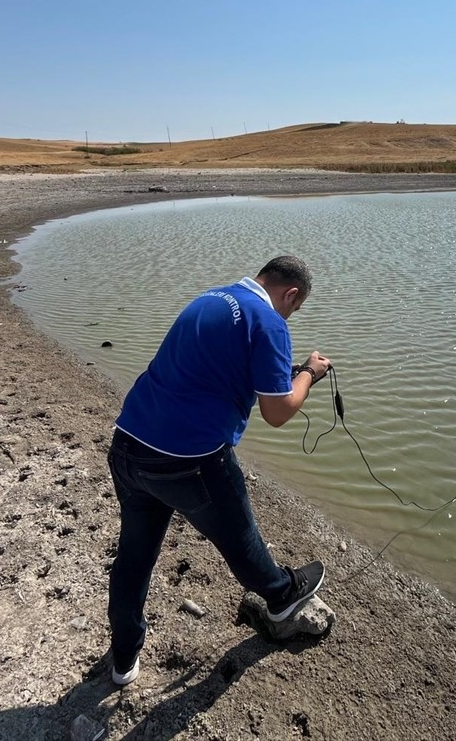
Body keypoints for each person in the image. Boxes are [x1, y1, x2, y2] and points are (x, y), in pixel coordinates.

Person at [107, 255, 332, 686]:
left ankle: (123, 658)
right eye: (294, 308)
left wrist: (285, 370)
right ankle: (283, 597)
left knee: (134, 557)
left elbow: (215, 366)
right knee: (241, 541)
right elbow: (278, 412)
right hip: (190, 461)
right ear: (292, 294)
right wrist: (308, 373)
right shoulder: (269, 322)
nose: (289, 315)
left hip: (130, 444)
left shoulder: (212, 297)